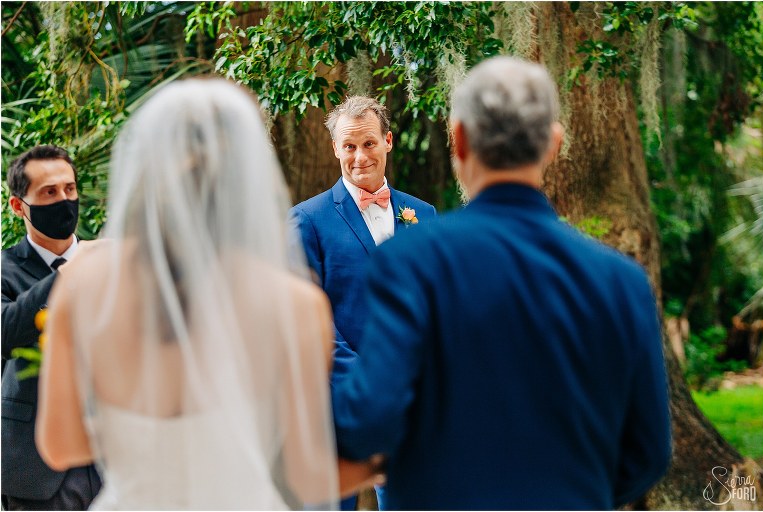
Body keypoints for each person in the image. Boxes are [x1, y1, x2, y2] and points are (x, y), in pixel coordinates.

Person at [332, 56, 672, 509]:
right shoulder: (623, 282)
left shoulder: (409, 263)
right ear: (554, 143)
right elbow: (648, 454)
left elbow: (365, 426)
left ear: (460, 140)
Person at [35, 78, 380, 510]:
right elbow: (307, 477)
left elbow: (61, 445)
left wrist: (139, 433)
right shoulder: (291, 304)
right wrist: (388, 454)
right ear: (246, 180)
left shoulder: (83, 283)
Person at [290, 96, 436, 509]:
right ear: (335, 148)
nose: (359, 156)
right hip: (337, 402)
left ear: (388, 141)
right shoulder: (308, 220)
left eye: (369, 143)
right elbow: (307, 315)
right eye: (349, 146)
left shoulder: (422, 214)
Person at [2, 145, 102, 510]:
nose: (64, 200)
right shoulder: (5, 270)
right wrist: (69, 273)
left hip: (114, 458)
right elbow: (5, 332)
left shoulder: (110, 263)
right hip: (37, 467)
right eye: (49, 192)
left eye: (69, 189)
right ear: (18, 206)